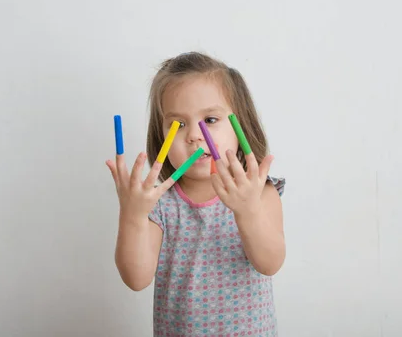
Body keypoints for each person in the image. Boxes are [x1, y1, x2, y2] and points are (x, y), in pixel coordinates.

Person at [107, 52, 286, 336]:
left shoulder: (260, 192)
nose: (193, 136)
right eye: (177, 125)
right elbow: (136, 278)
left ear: (241, 126)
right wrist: (133, 215)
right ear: (160, 134)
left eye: (211, 120)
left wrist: (247, 211)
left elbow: (270, 263)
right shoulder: (160, 204)